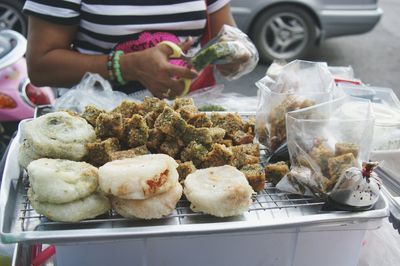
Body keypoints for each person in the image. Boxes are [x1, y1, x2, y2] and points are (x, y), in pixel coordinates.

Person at [22, 0, 253, 99]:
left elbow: (229, 37)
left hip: (189, 118)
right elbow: (41, 65)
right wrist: (128, 66)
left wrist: (237, 54)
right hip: (100, 122)